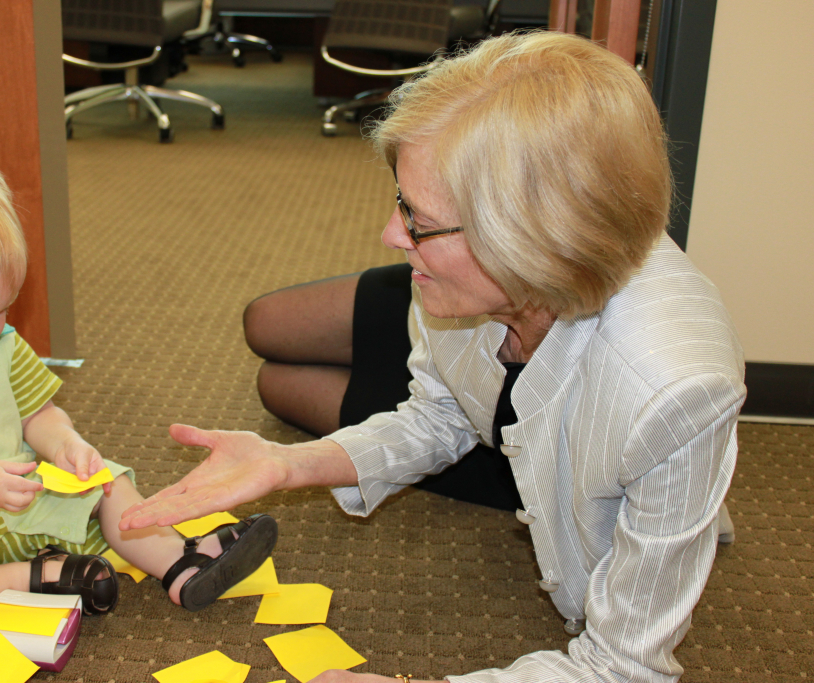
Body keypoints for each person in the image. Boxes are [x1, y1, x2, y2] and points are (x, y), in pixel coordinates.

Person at [120, 32, 746, 683]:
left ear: (522, 241)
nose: (393, 235)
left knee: (618, 464)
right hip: (523, 365)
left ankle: (665, 497)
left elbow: (622, 667)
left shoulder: (673, 391)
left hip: (617, 428)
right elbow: (438, 414)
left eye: (417, 219)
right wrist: (285, 463)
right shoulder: (466, 281)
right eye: (401, 202)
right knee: (273, 360)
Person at [0, 157, 277, 630]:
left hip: (28, 505)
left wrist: (65, 444)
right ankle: (39, 580)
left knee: (107, 482)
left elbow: (38, 414)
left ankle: (179, 563)